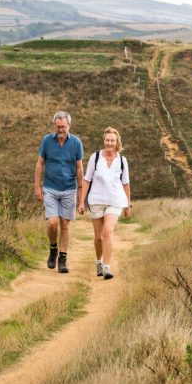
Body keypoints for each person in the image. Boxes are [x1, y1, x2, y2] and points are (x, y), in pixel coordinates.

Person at [34, 111, 84, 273]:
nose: (60, 130)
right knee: (52, 222)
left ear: (69, 126)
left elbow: (79, 167)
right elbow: (40, 163)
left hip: (69, 189)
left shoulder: (76, 143)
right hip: (50, 188)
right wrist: (37, 186)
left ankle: (62, 259)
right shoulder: (47, 141)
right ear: (54, 126)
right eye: (58, 127)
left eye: (63, 127)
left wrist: (80, 191)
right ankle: (53, 249)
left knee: (65, 225)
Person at [78, 127, 131, 280]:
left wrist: (128, 205)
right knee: (98, 237)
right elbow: (86, 180)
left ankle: (107, 267)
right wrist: (82, 201)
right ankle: (99, 261)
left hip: (115, 200)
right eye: (107, 140)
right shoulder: (95, 158)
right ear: (104, 141)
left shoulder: (122, 160)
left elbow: (126, 184)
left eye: (112, 140)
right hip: (96, 200)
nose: (109, 143)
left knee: (107, 232)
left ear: (117, 142)